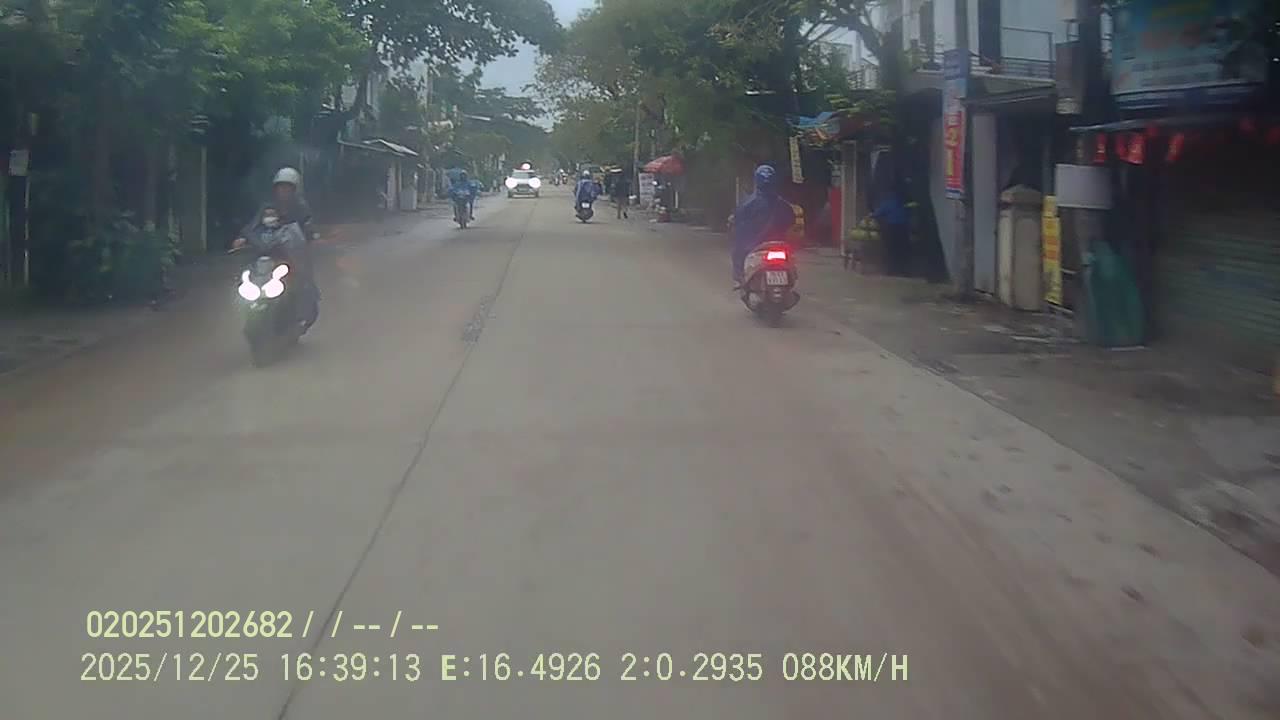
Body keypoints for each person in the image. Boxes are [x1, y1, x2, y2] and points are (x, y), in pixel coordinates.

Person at [233, 167, 319, 330]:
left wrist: (310, 236)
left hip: (289, 255)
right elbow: (254, 225)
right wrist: (242, 238)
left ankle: (300, 313)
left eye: (287, 187)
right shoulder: (267, 207)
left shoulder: (301, 208)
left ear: (295, 190)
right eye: (280, 187)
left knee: (302, 282)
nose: (283, 191)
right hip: (266, 253)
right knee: (247, 278)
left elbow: (308, 228)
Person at [730, 164, 795, 288]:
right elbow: (791, 221)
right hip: (779, 243)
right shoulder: (783, 204)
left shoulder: (749, 203)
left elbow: (738, 220)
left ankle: (740, 279)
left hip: (755, 244)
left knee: (737, 250)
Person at [870, 188, 910, 276]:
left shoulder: (888, 203)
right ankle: (904, 271)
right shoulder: (902, 203)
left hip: (892, 229)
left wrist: (872, 215)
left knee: (891, 250)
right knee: (902, 250)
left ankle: (892, 270)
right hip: (903, 228)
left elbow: (877, 213)